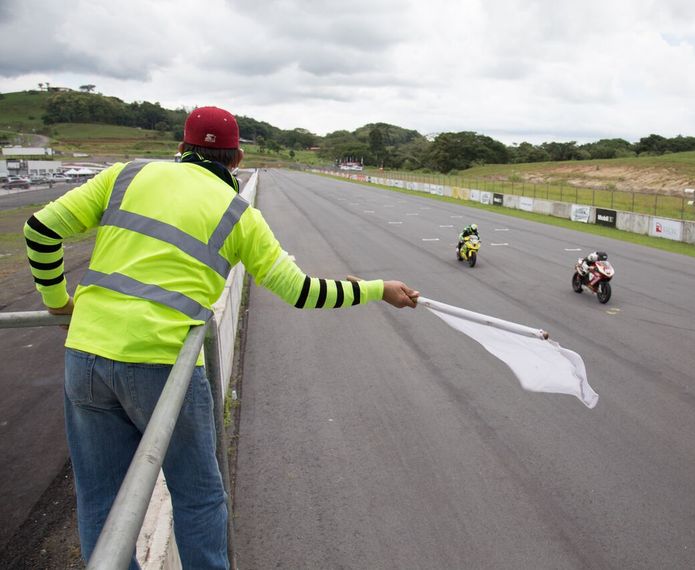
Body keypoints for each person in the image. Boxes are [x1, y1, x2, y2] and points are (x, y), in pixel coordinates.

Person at [22, 106, 419, 569]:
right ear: (237, 158)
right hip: (164, 366)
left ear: (181, 148)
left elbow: (40, 229)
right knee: (199, 498)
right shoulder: (239, 215)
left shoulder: (125, 175)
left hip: (86, 355)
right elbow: (302, 292)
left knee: (100, 503)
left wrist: (58, 302)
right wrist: (376, 290)